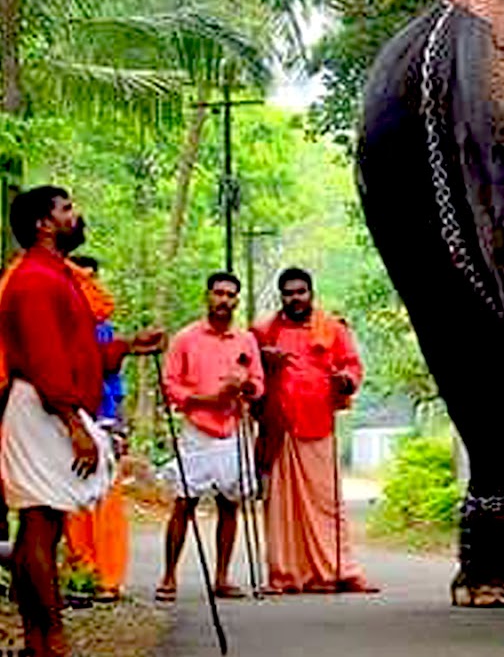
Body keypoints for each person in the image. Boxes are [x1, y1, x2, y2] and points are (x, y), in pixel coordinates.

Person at [0, 186, 163, 657]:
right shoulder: (33, 279)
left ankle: (39, 640)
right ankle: (51, 639)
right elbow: (46, 359)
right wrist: (73, 424)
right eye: (67, 209)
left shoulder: (59, 276)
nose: (77, 215)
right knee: (38, 523)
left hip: (53, 405)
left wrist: (130, 345)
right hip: (42, 408)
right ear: (43, 224)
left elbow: (77, 352)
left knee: (42, 526)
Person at [253, 267, 376, 595]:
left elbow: (352, 365)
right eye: (289, 293)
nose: (295, 298)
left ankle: (336, 571)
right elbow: (245, 369)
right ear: (282, 296)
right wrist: (264, 360)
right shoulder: (263, 331)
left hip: (318, 423)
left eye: (300, 292)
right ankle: (285, 576)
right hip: (279, 427)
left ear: (311, 293)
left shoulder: (332, 328)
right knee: (281, 508)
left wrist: (345, 380)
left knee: (327, 503)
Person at [156, 271, 265, 602]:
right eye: (219, 293)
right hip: (197, 428)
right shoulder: (186, 338)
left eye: (231, 295)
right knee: (184, 502)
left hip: (233, 427)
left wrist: (245, 387)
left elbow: (259, 384)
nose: (224, 300)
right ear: (207, 296)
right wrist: (206, 400)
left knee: (229, 503)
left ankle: (221, 578)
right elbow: (170, 384)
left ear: (237, 300)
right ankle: (169, 576)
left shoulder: (245, 340)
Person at [61, 254, 132, 603]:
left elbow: (115, 382)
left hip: (103, 419)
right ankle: (81, 574)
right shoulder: (57, 324)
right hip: (67, 418)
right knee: (74, 500)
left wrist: (120, 425)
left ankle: (109, 578)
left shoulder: (104, 328)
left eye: (91, 280)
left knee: (107, 500)